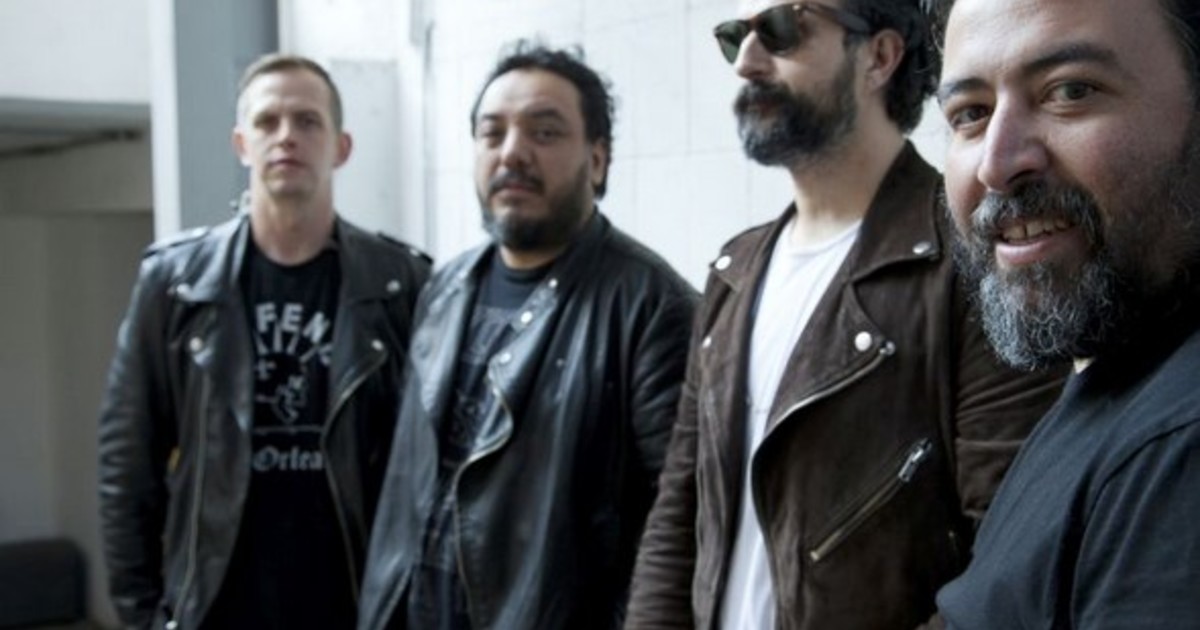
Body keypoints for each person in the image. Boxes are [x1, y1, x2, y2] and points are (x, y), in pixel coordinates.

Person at [625, 1, 1066, 628]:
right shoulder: (733, 271)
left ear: (878, 57)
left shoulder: (972, 260)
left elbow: (1008, 563)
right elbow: (678, 518)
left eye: (782, 29)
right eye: (733, 37)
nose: (746, 61)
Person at [356, 41, 697, 630]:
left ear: (597, 160)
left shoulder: (652, 307)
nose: (512, 152)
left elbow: (685, 523)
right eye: (492, 133)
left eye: (544, 132)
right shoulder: (444, 287)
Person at [98, 53, 431, 630]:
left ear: (341, 147)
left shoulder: (400, 283)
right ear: (242, 145)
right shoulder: (175, 285)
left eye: (307, 121)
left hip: (355, 606)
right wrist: (142, 616)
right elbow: (126, 466)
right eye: (267, 121)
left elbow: (427, 471)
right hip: (216, 608)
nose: (286, 136)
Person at [933, 0, 1200, 626]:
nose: (997, 164)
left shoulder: (1179, 448)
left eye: (1071, 91)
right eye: (970, 113)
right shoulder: (1123, 374)